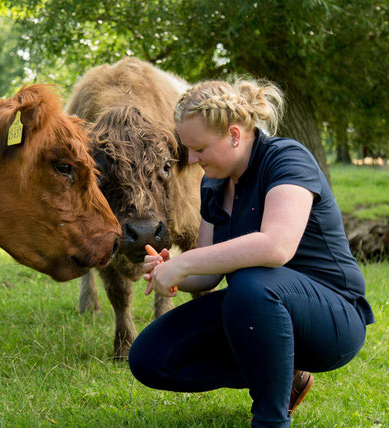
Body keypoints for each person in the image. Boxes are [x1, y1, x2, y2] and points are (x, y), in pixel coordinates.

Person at [128, 78, 375, 427]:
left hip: (333, 318)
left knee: (251, 280)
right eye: (188, 149)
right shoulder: (213, 183)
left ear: (233, 135)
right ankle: (282, 374)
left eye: (199, 148)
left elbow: (276, 246)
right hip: (258, 307)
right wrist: (173, 269)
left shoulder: (287, 159)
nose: (193, 160)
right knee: (150, 358)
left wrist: (186, 262)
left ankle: (270, 420)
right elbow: (208, 274)